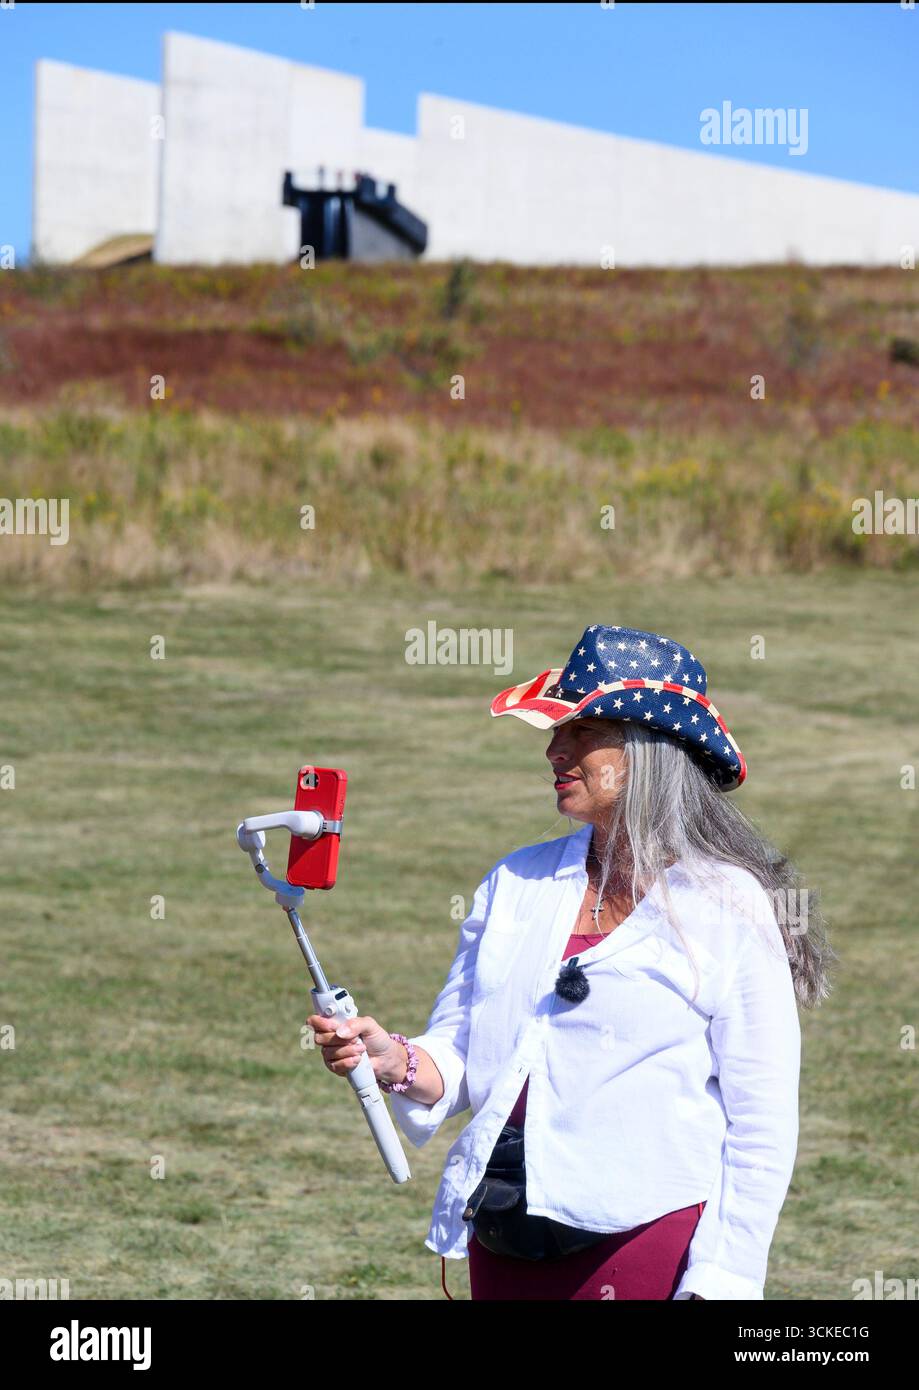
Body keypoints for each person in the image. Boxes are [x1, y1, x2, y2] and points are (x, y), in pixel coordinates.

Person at [307, 624, 833, 1300]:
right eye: (558, 730)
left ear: (645, 751)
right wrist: (395, 1061)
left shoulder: (726, 904)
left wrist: (721, 1277)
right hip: (506, 1231)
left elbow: (761, 1122)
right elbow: (467, 1053)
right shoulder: (515, 881)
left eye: (581, 732)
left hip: (641, 1243)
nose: (555, 749)